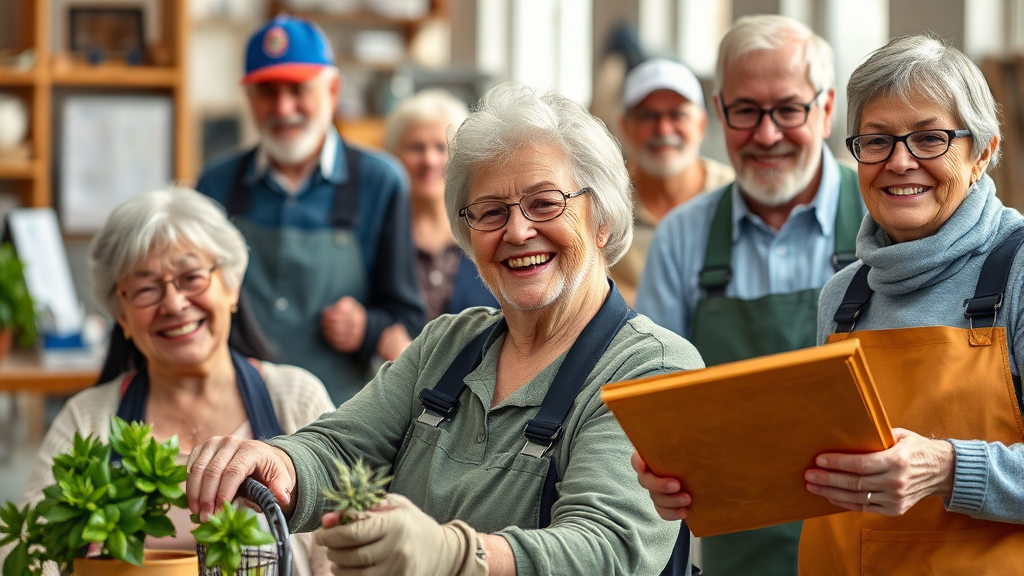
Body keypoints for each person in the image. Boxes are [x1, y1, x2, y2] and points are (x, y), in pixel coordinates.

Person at [185, 82, 705, 576]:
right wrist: (281, 463)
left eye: (546, 203)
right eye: (491, 212)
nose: (518, 231)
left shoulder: (653, 367)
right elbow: (341, 450)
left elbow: (606, 548)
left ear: (603, 218)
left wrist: (454, 554)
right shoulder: (448, 346)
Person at [638, 34, 1024, 575]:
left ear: (982, 151)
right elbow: (812, 469)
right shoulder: (844, 296)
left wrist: (946, 468)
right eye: (877, 140)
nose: (900, 161)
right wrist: (689, 477)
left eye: (930, 138)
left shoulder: (1019, 272)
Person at [634, 15, 865, 576]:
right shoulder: (683, 237)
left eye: (788, 109)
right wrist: (651, 470)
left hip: (872, 536)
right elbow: (654, 398)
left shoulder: (882, 213)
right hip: (734, 546)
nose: (766, 135)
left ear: (827, 109)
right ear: (719, 113)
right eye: (746, 111)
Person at [17, 188, 336, 576]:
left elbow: (341, 551)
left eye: (191, 277)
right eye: (147, 287)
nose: (173, 303)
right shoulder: (86, 419)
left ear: (231, 287)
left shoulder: (295, 397)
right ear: (122, 315)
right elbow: (29, 555)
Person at [195, 14, 425, 404]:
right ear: (250, 99)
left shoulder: (380, 181)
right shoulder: (216, 184)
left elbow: (408, 319)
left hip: (340, 424)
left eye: (298, 89)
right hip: (235, 411)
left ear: (332, 90)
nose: (284, 108)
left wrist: (367, 328)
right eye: (267, 91)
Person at [375, 89, 498, 360]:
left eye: (441, 147)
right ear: (393, 155)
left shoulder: (488, 232)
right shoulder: (377, 234)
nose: (429, 160)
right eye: (416, 147)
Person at [610, 58, 734, 306]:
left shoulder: (733, 195)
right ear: (626, 126)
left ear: (701, 124)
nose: (664, 130)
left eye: (677, 115)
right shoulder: (605, 201)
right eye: (648, 116)